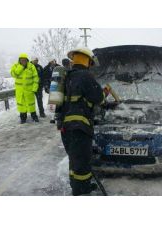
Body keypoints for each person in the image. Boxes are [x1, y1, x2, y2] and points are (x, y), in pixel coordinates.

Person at [57, 48, 108, 196]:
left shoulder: (66, 76)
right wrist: (104, 95)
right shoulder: (86, 76)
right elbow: (98, 98)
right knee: (82, 162)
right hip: (80, 127)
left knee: (74, 160)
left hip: (65, 127)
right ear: (88, 61)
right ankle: (81, 190)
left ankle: (76, 185)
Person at [10, 53, 39, 123]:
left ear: (27, 60)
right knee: (22, 106)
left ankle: (34, 117)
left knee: (31, 105)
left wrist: (34, 88)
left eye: (24, 60)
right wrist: (21, 67)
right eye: (21, 60)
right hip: (20, 92)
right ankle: (23, 118)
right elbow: (14, 74)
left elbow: (36, 78)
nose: (23, 61)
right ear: (19, 60)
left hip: (29, 91)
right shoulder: (15, 66)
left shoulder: (31, 66)